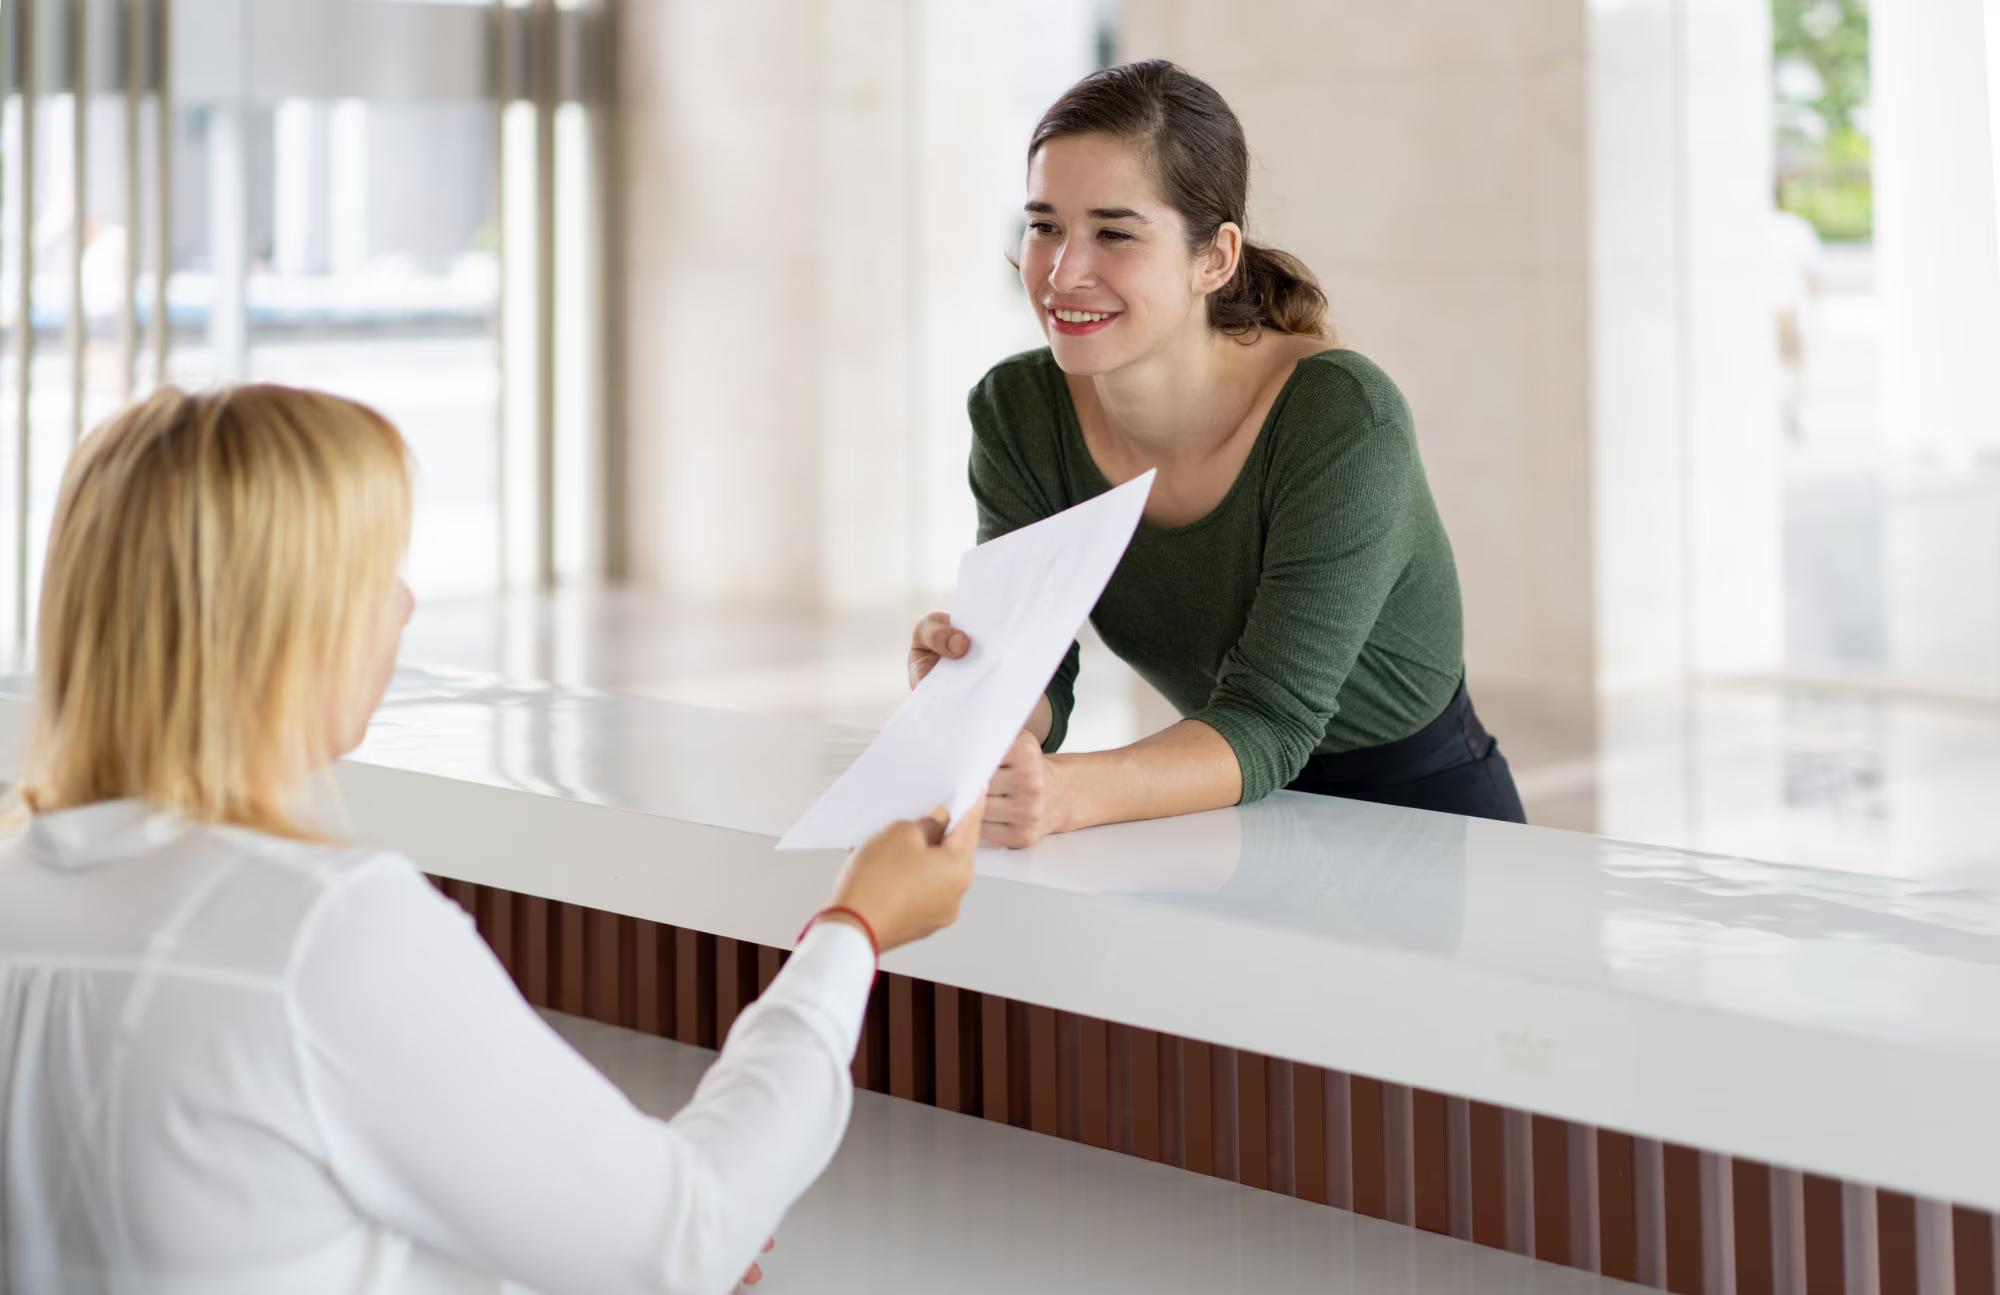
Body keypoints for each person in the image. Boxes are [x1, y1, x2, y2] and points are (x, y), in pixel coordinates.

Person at [0, 385, 980, 1294]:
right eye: (375, 572)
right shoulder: (322, 929)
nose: (405, 605)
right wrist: (853, 927)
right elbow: (684, 1237)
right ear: (285, 628)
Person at [909, 60, 1525, 848]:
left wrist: (1066, 793)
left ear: (1216, 257)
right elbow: (1041, 669)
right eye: (1044, 226)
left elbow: (1270, 719)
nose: (1063, 273)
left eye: (1115, 232)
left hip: (1424, 821)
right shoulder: (1018, 411)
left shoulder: (1341, 419)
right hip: (1224, 802)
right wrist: (979, 694)